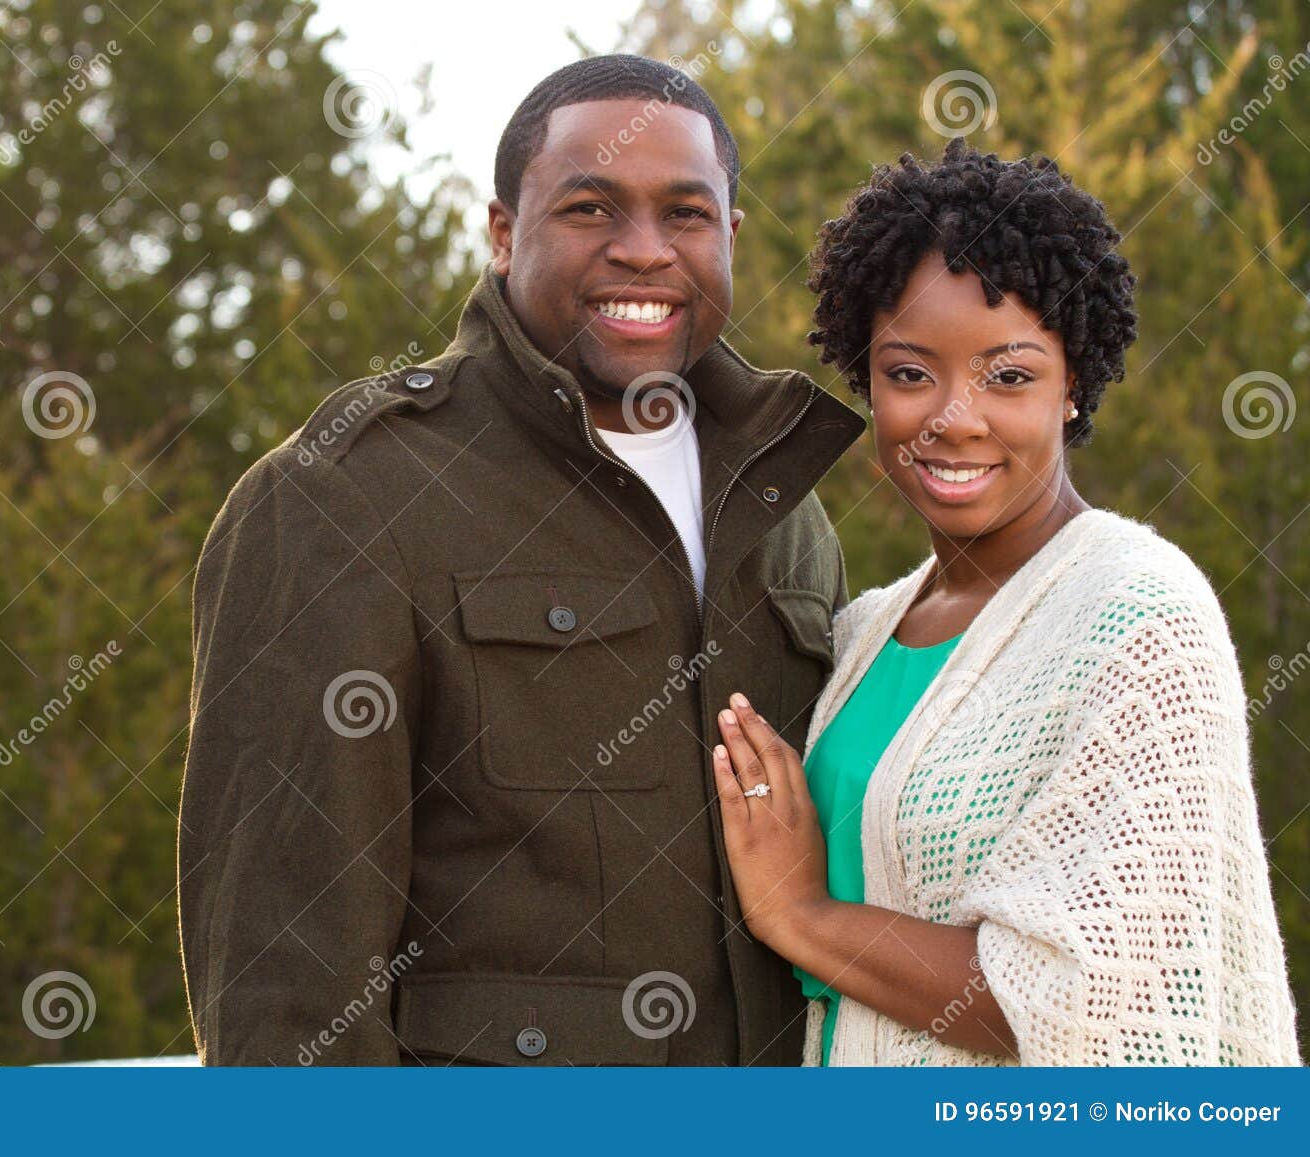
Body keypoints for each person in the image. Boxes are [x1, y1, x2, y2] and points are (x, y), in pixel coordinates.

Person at [177, 55, 865, 1065]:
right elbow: (281, 978)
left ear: (729, 237)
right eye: (590, 208)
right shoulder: (346, 493)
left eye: (684, 214)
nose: (644, 252)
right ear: (502, 234)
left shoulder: (785, 507)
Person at [712, 139, 1300, 1066]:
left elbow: (1087, 1002)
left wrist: (801, 913)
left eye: (1010, 375)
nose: (955, 415)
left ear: (1075, 385)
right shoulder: (865, 629)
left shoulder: (1139, 615)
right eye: (910, 373)